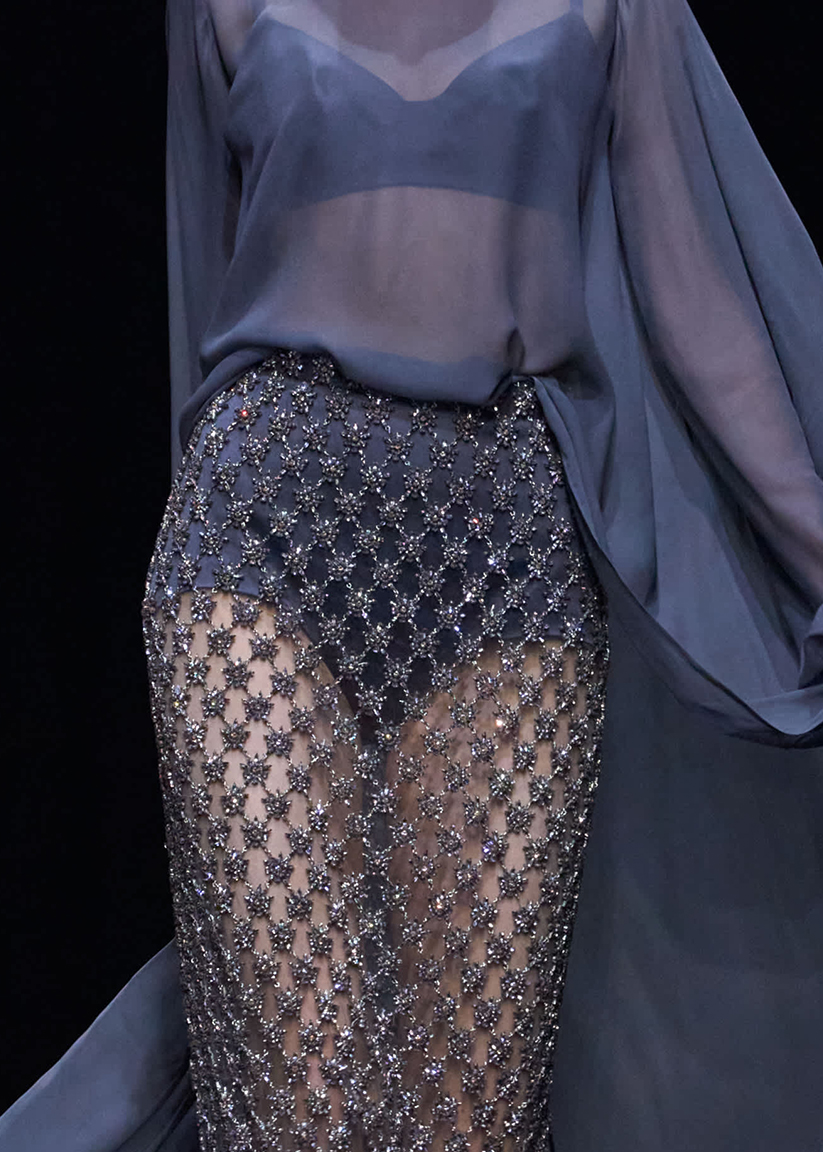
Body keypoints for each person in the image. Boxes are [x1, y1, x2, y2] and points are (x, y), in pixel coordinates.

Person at [1, 0, 821, 1150]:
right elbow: (206, 285)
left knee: (466, 1120)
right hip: (256, 541)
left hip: (506, 558)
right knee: (297, 1107)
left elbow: (700, 313)